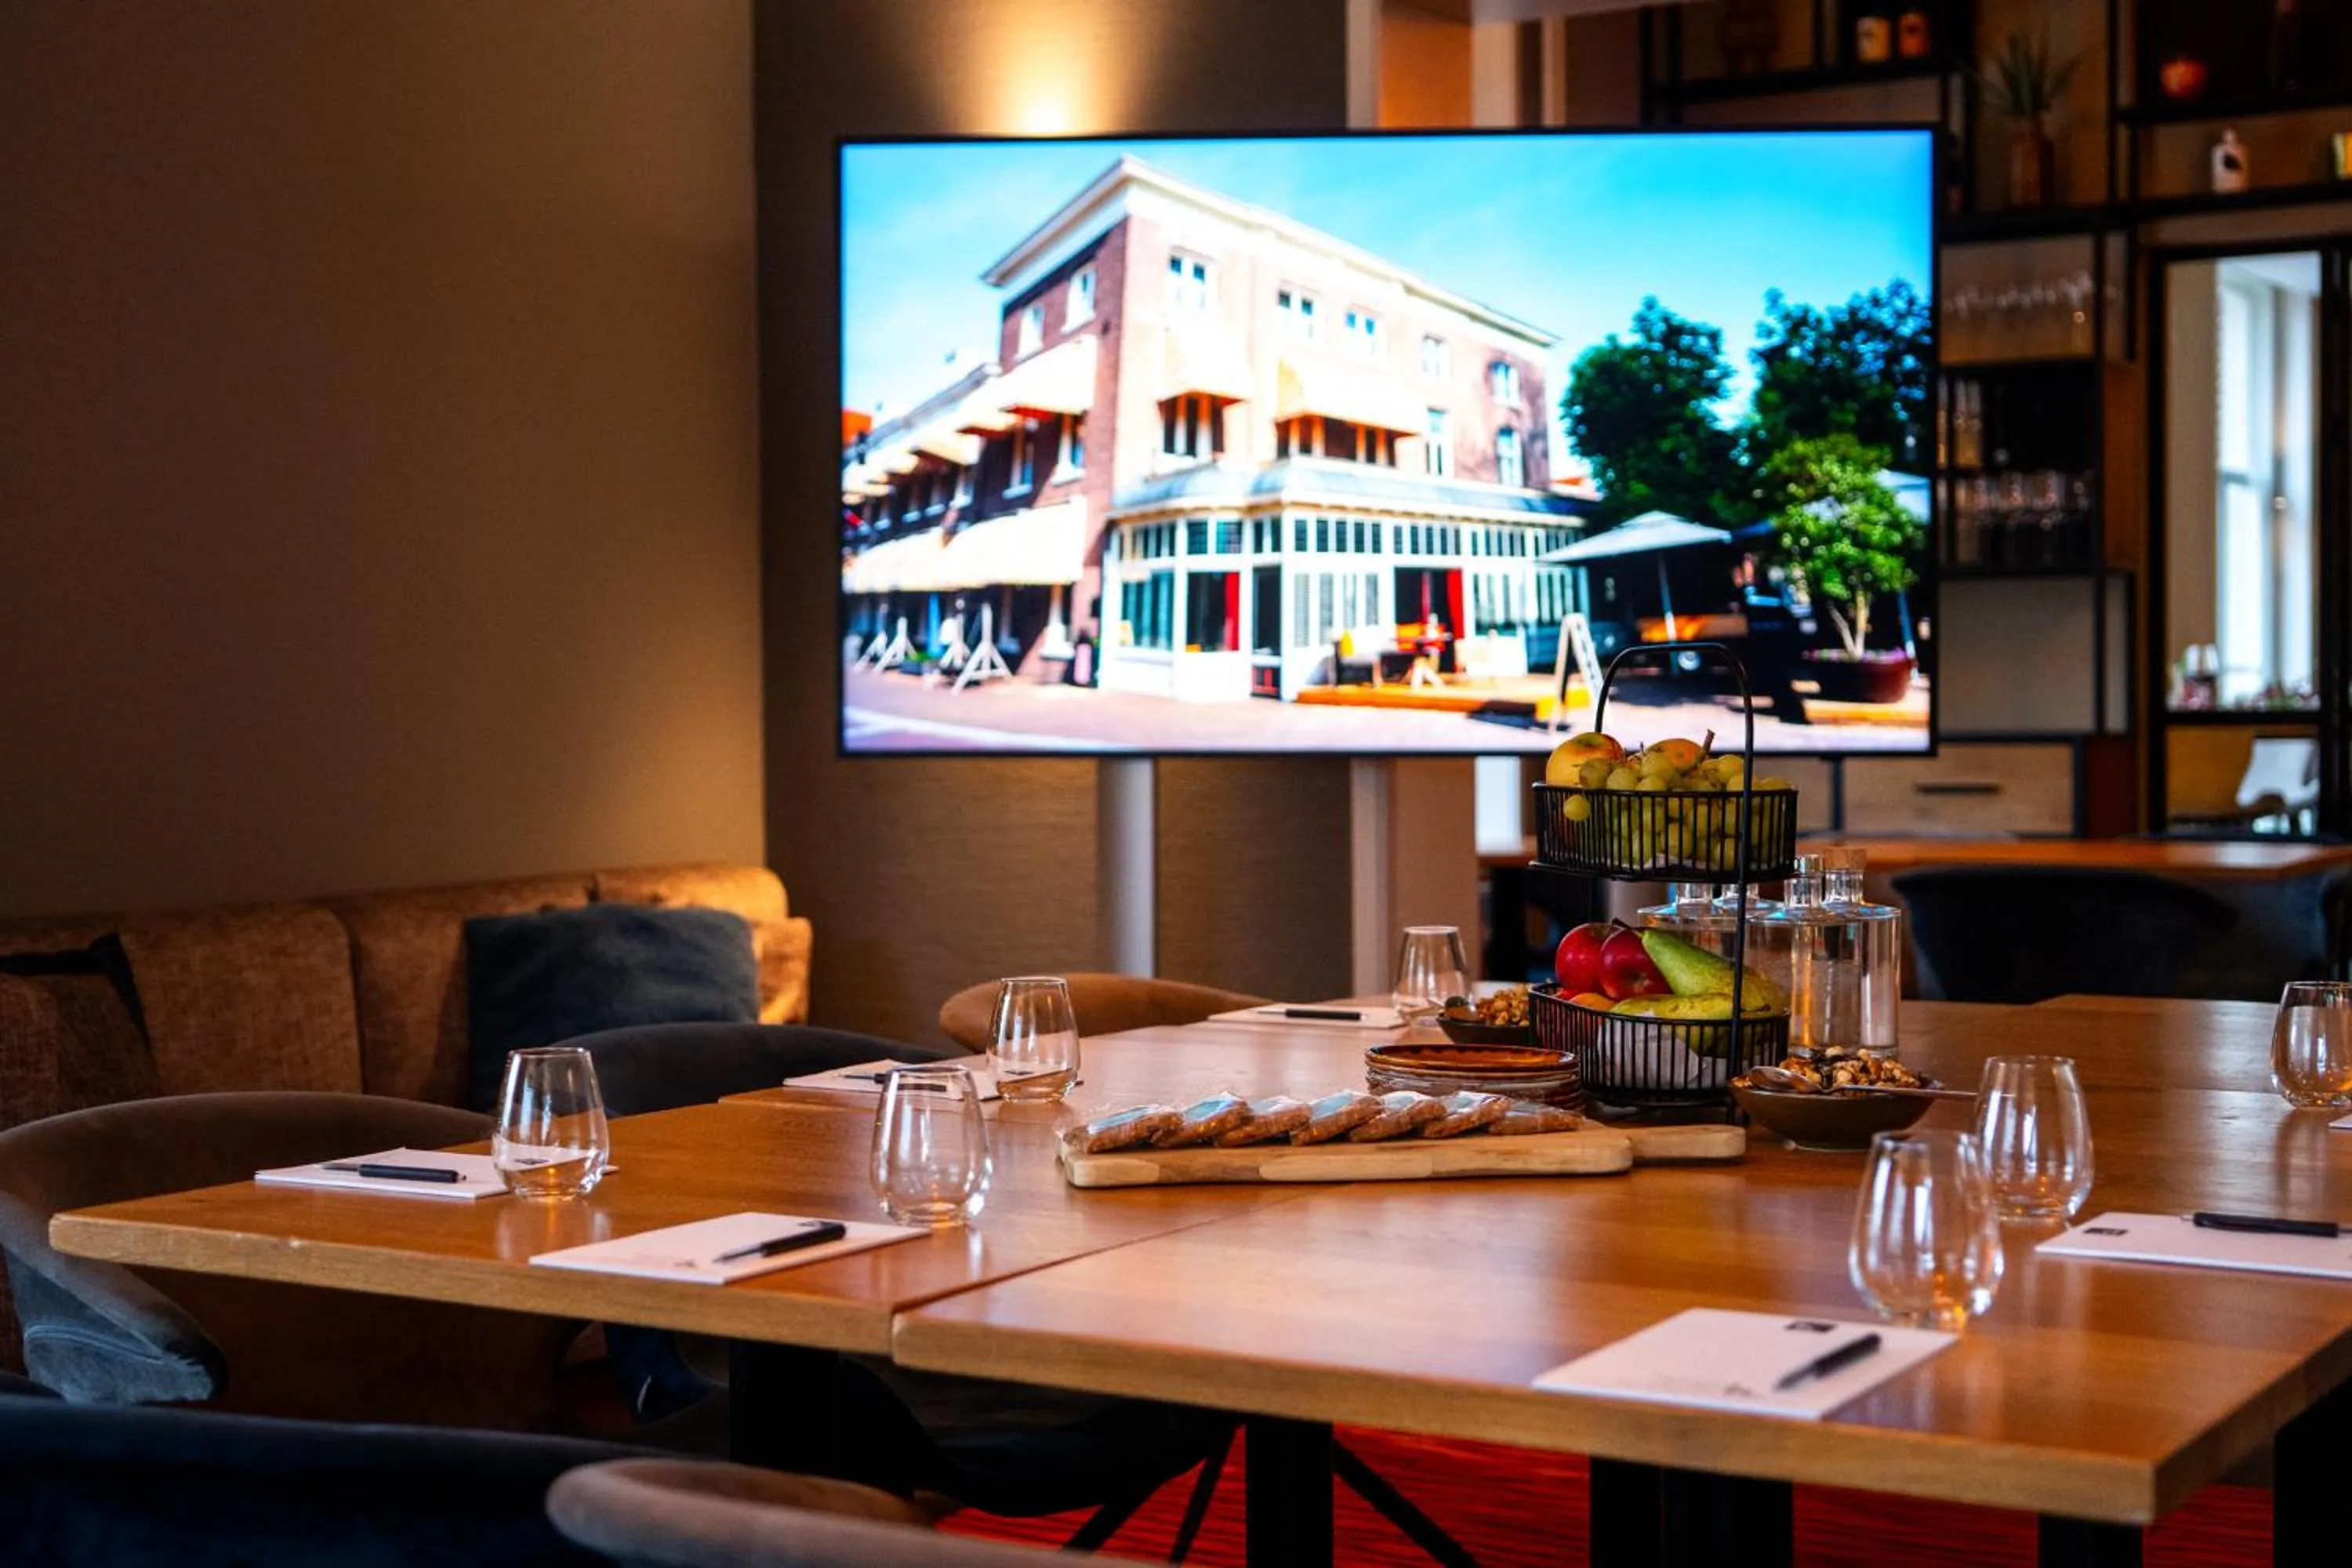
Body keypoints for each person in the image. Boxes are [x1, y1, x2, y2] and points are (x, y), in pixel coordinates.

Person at [1734, 556, 1811, 726]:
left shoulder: (1772, 581)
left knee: (1779, 676)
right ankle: (1786, 710)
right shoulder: (1754, 585)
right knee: (1772, 677)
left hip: (1778, 636)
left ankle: (1792, 712)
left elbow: (1783, 603)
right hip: (1765, 636)